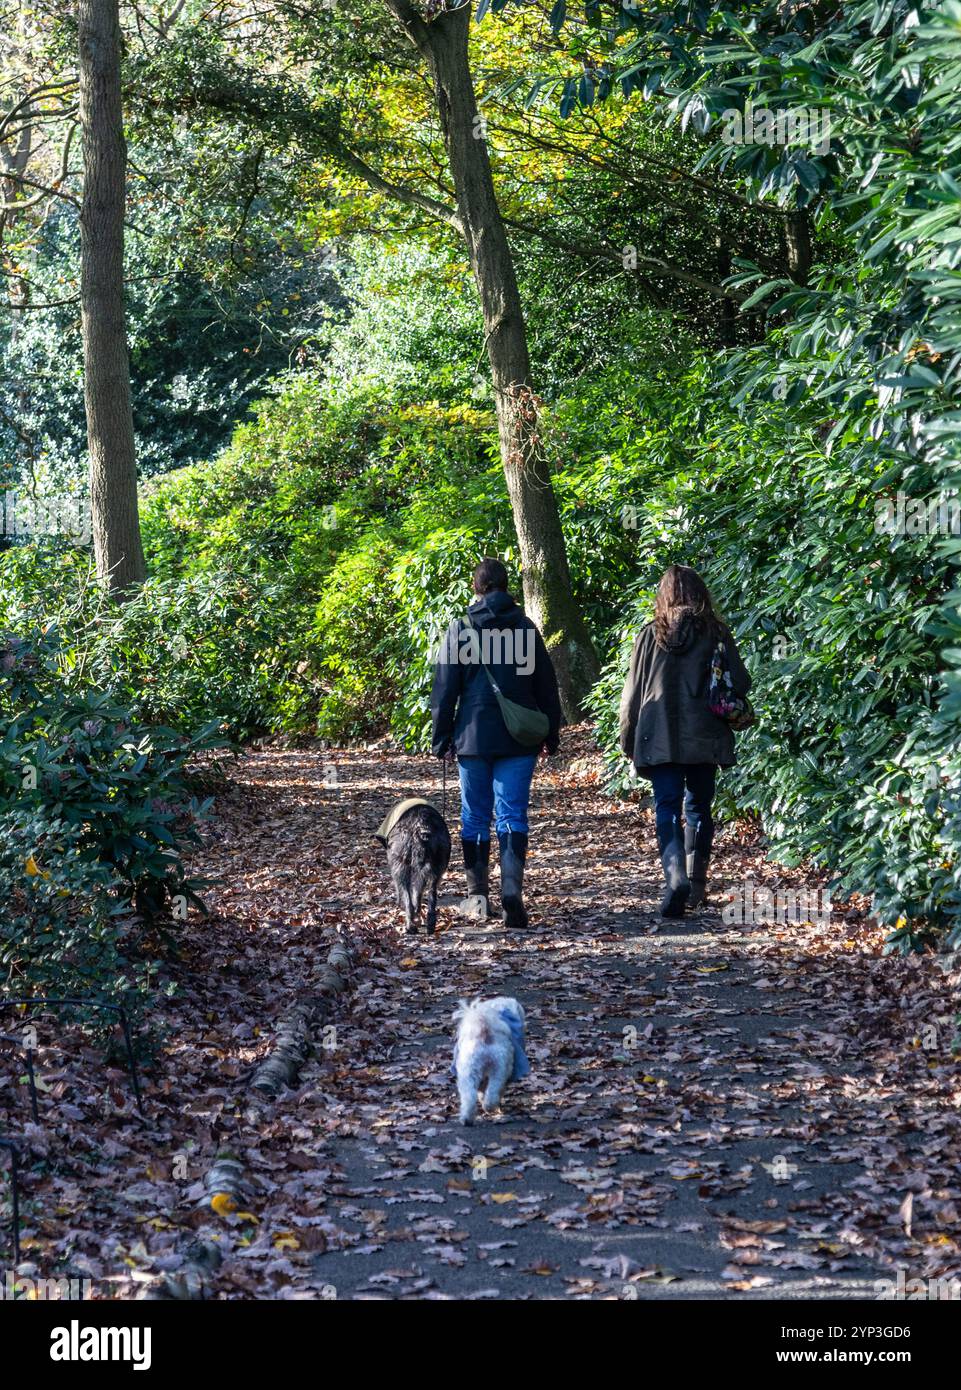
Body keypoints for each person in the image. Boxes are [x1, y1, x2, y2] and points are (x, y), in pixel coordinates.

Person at [431, 558, 561, 928]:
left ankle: (477, 898)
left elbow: (445, 690)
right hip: (518, 737)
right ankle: (511, 891)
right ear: (507, 587)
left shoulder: (461, 629)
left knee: (474, 816)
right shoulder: (525, 628)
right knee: (512, 814)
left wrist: (441, 737)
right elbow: (546, 686)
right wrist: (551, 733)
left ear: (477, 587)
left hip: (472, 736)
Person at [618, 564, 751, 917]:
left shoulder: (649, 636)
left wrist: (627, 739)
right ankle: (696, 884)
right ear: (700, 594)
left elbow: (632, 694)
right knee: (698, 808)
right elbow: (740, 682)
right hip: (704, 736)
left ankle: (674, 876)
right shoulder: (717, 634)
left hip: (658, 736)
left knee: (666, 807)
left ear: (663, 596)